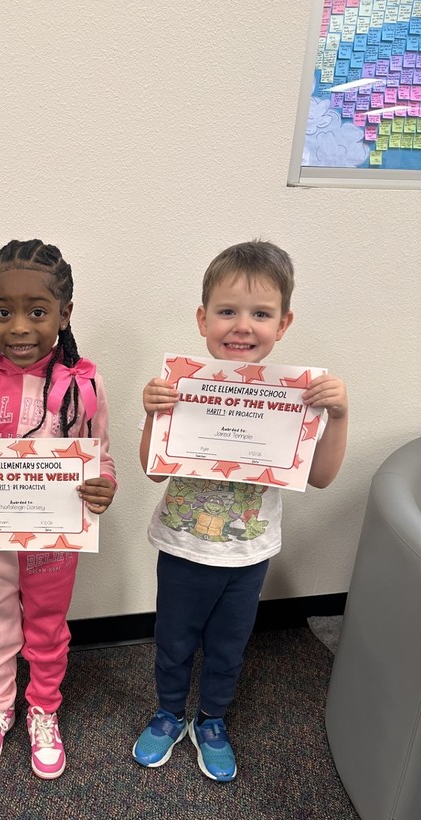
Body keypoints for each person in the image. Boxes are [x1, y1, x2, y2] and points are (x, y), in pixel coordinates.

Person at [134, 240, 348, 782]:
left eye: (261, 314)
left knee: (229, 643)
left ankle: (211, 721)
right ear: (203, 319)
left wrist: (339, 415)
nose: (242, 326)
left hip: (248, 553)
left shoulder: (293, 398)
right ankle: (167, 713)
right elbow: (153, 470)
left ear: (284, 323)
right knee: (174, 638)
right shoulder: (182, 387)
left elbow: (320, 477)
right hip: (183, 546)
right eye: (227, 311)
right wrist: (152, 413)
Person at [0, 239, 116, 779]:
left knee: (46, 625)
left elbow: (100, 454)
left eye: (37, 312)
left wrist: (104, 484)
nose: (19, 327)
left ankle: (43, 709)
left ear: (65, 314)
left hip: (55, 543)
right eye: (3, 311)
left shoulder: (84, 383)